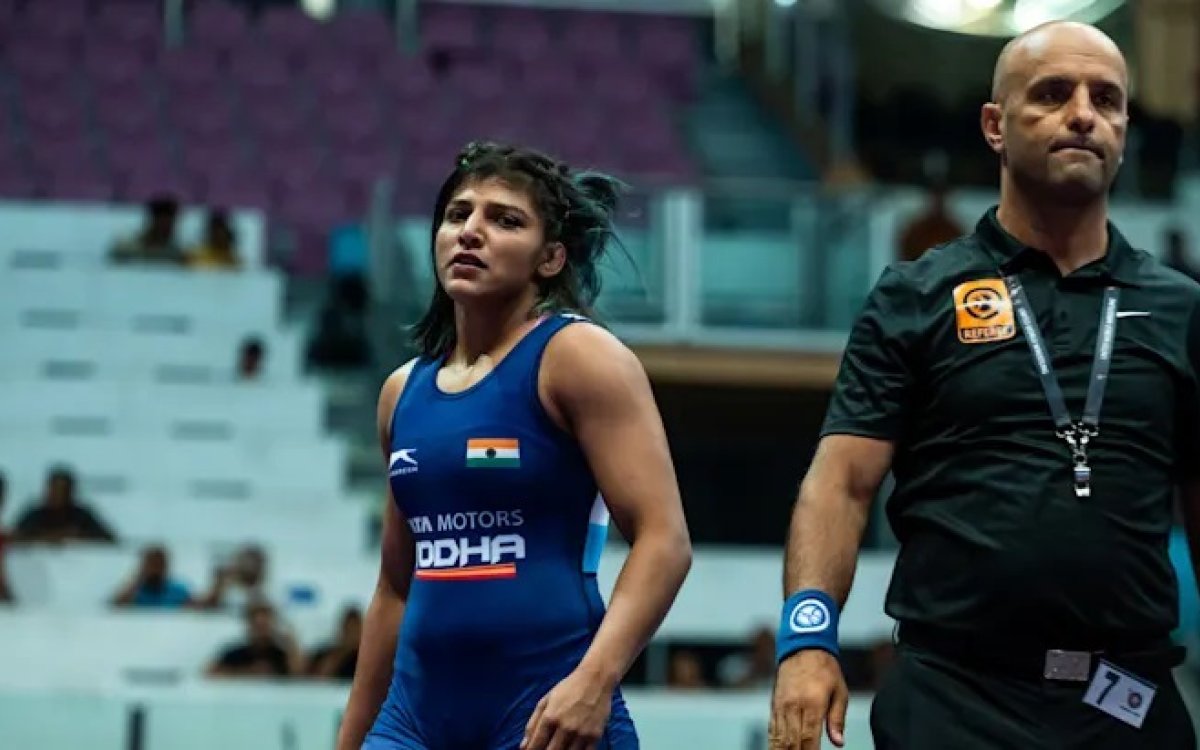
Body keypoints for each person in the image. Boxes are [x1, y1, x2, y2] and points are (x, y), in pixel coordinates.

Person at [769, 21, 1200, 750]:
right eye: (1053, 94)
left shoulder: (1181, 309)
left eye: (1107, 99)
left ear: (1125, 131)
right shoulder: (915, 296)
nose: (1084, 115)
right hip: (954, 700)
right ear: (995, 126)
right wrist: (807, 642)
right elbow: (840, 484)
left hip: (1127, 701)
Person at [336, 142, 692, 750]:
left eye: (504, 220)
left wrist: (594, 682)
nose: (470, 232)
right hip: (413, 722)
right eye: (457, 214)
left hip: (545, 715)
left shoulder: (578, 357)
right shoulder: (402, 391)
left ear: (550, 258)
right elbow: (395, 587)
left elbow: (665, 540)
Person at [10, 466, 117, 545]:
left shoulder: (81, 515)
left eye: (63, 490)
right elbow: (14, 538)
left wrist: (78, 536)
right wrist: (46, 536)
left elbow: (109, 539)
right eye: (55, 489)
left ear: (71, 491)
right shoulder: (36, 514)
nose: (58, 494)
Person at [108, 194, 185, 266]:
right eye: (163, 223)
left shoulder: (177, 253)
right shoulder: (127, 249)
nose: (167, 228)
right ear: (153, 222)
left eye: (171, 223)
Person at [110, 545, 193, 609]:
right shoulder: (135, 591)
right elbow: (115, 606)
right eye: (152, 565)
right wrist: (138, 581)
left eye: (160, 565)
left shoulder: (178, 591)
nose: (156, 570)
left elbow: (194, 609)